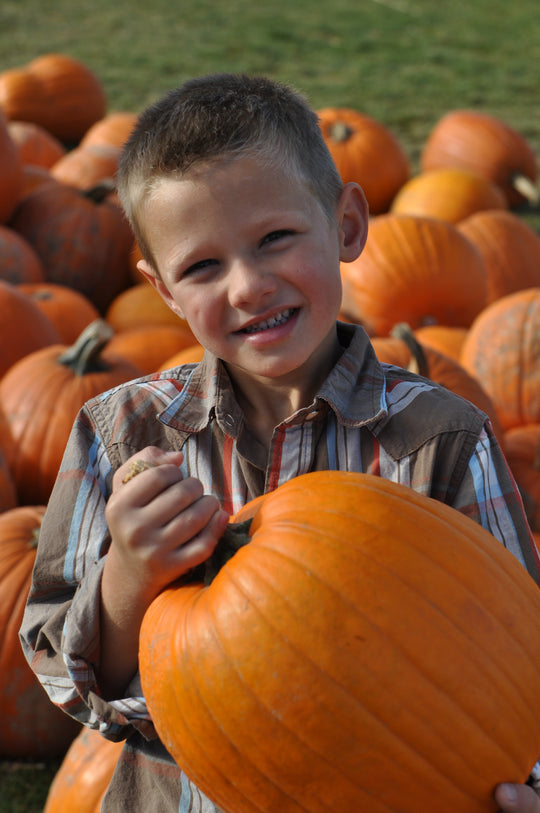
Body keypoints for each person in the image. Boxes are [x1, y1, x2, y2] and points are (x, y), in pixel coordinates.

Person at [20, 73, 540, 812]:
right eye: (203, 266)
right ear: (163, 291)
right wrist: (131, 577)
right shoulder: (120, 432)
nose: (248, 286)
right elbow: (65, 678)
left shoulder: (443, 438)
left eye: (275, 239)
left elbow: (520, 651)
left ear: (348, 225)